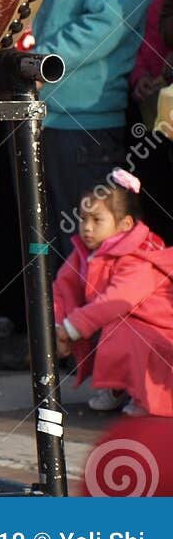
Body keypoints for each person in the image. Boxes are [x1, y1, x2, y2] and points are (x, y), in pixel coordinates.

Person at [30, 0, 154, 267]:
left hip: (85, 123)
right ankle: (53, 330)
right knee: (41, 241)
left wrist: (35, 62)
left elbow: (97, 33)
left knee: (83, 243)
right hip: (44, 114)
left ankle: (87, 330)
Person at [53, 170, 173, 416]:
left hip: (161, 336)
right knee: (112, 326)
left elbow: (115, 302)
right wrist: (58, 328)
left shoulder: (140, 257)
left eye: (96, 220)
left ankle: (143, 394)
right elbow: (61, 289)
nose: (86, 228)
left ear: (125, 224)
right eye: (83, 218)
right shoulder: (86, 252)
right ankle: (121, 388)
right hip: (124, 327)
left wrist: (71, 328)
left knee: (123, 330)